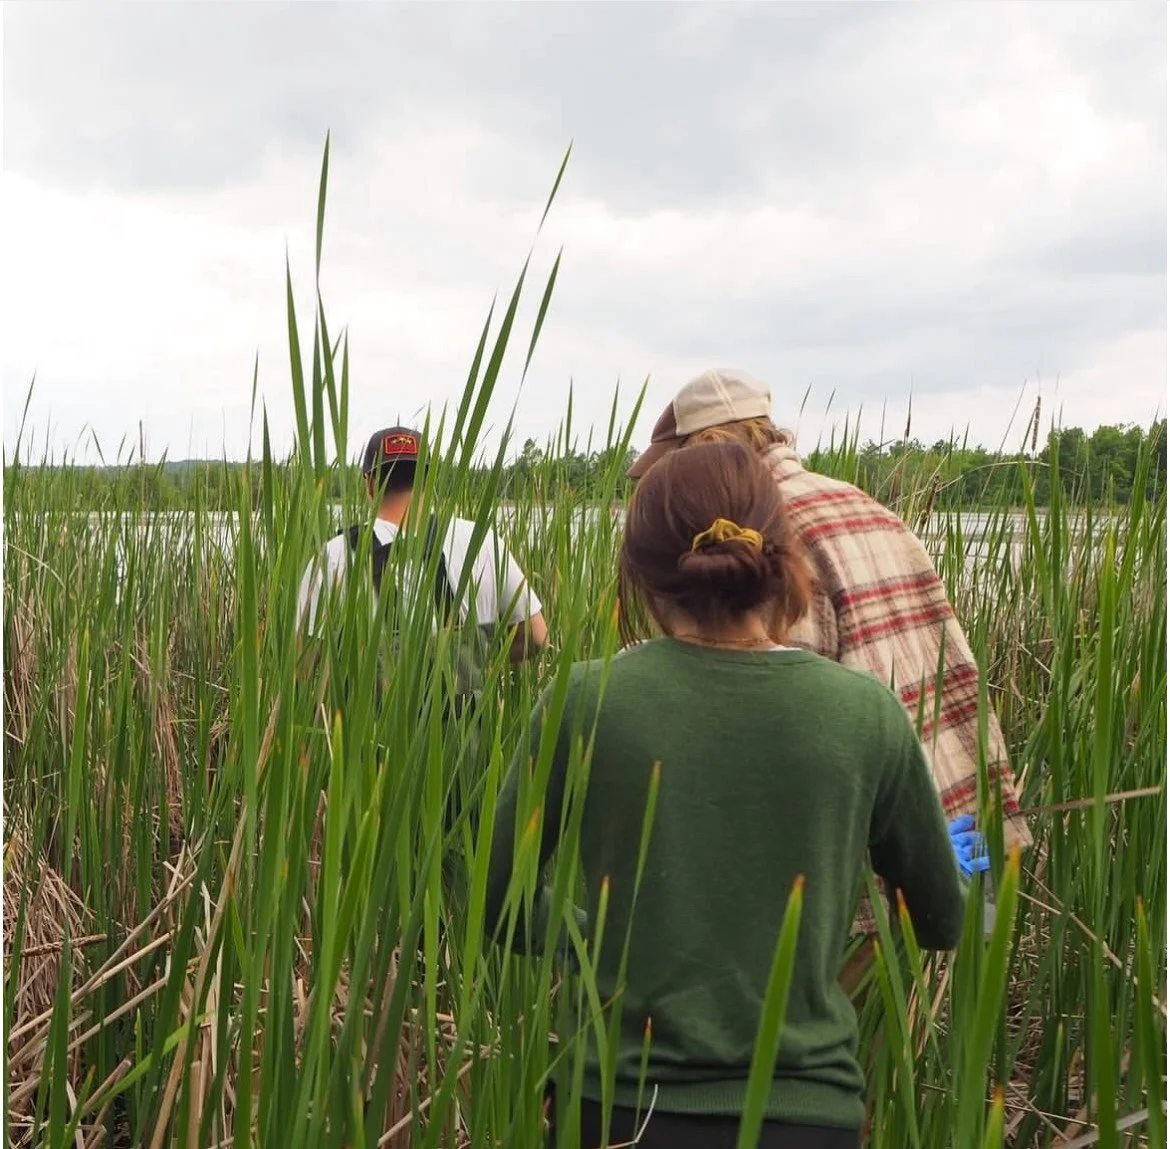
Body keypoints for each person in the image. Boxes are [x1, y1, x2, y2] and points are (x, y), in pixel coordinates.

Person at [485, 441, 969, 1149]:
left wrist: (594, 937)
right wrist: (975, 842)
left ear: (637, 573)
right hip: (806, 1116)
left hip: (619, 1110)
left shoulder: (585, 701)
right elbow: (943, 917)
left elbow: (496, 904)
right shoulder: (866, 711)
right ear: (779, 558)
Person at [626, 369, 1031, 987]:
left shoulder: (765, 531)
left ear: (706, 452)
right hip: (941, 820)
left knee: (791, 1033)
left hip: (852, 855)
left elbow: (772, 711)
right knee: (856, 1043)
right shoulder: (862, 503)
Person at [296, 424, 549, 683]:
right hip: (468, 723)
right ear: (427, 480)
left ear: (370, 484)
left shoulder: (333, 557)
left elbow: (301, 670)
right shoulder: (482, 541)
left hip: (367, 724)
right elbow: (537, 636)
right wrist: (475, 666)